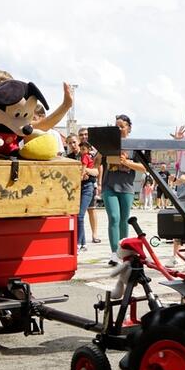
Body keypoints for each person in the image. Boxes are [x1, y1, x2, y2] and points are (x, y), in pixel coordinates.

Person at [96, 114, 145, 265]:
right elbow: (96, 163)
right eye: (116, 126)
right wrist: (100, 150)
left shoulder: (134, 145)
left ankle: (125, 250)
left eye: (121, 126)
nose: (118, 129)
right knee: (114, 217)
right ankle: (114, 253)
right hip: (109, 186)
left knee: (124, 219)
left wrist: (127, 162)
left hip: (127, 187)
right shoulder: (109, 144)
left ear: (128, 128)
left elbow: (143, 168)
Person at [79, 127, 102, 244]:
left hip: (90, 184)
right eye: (81, 134)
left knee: (92, 210)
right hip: (79, 185)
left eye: (86, 134)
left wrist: (99, 183)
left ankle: (94, 234)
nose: (84, 136)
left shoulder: (94, 151)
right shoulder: (79, 151)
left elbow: (98, 169)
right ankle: (81, 239)